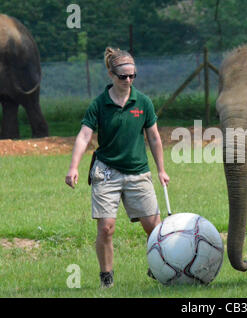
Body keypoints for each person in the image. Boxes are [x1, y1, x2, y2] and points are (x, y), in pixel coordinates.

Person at [65, 47, 169, 288]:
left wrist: (161, 170)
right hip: (107, 172)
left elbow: (153, 138)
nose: (129, 80)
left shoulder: (142, 102)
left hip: (138, 171)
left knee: (154, 227)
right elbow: (83, 136)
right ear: (111, 75)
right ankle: (107, 278)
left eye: (133, 75)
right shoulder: (99, 104)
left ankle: (160, 266)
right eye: (123, 76)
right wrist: (74, 167)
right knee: (106, 228)